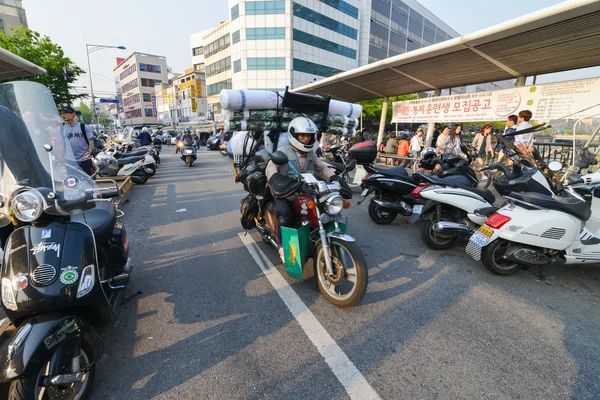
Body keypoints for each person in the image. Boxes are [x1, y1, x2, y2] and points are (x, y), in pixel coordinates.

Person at [266, 117, 339, 263]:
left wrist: (334, 179)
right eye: (303, 135)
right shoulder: (284, 151)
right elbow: (271, 166)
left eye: (309, 136)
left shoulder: (311, 153)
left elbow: (322, 168)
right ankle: (282, 246)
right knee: (285, 214)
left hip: (308, 192)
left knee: (326, 209)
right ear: (294, 135)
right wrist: (275, 178)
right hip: (287, 192)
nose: (306, 139)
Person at [59, 105, 95, 176]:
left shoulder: (83, 127)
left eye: (66, 113)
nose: (63, 115)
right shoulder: (61, 129)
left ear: (73, 114)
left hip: (85, 159)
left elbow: (91, 141)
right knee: (73, 183)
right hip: (70, 161)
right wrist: (61, 157)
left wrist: (90, 152)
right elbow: (61, 144)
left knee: (89, 181)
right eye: (62, 113)